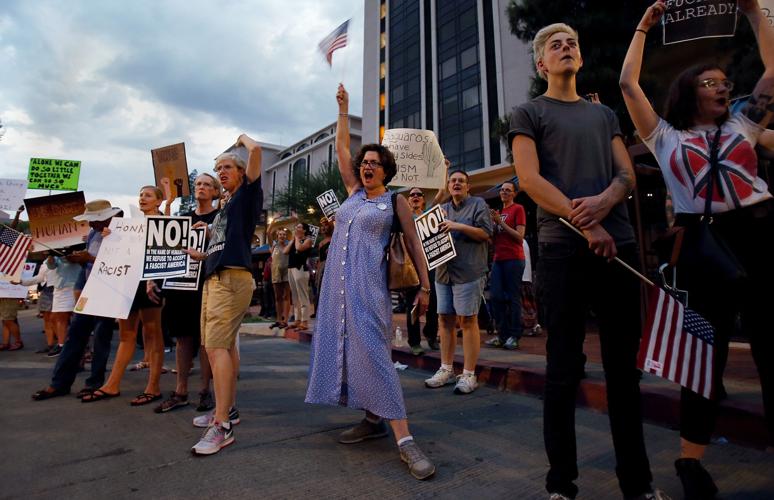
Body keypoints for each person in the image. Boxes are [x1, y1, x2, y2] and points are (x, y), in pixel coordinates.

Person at [620, 1, 774, 497]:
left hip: (759, 235)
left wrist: (753, 13)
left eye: (724, 81)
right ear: (689, 92)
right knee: (705, 355)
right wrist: (645, 25)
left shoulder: (743, 125)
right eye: (710, 81)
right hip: (703, 247)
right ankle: (691, 464)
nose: (723, 86)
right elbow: (628, 84)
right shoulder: (665, 137)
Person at [510, 22, 662, 500]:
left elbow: (626, 174)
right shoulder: (528, 112)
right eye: (555, 45)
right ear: (542, 64)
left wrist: (608, 198)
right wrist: (586, 221)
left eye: (571, 42)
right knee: (561, 369)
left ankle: (638, 485)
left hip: (619, 250)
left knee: (623, 373)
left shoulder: (603, 115)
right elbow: (530, 181)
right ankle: (561, 486)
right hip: (562, 252)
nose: (565, 48)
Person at [305, 83, 434, 480]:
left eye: (375, 163)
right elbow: (343, 150)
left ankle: (405, 440)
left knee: (376, 357)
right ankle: (372, 418)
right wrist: (343, 109)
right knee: (348, 352)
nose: (367, 166)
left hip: (368, 290)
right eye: (365, 162)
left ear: (386, 171)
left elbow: (414, 245)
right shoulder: (352, 195)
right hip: (334, 292)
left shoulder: (392, 202)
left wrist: (426, 289)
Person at [186, 134, 262, 455]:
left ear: (242, 172)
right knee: (221, 346)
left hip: (231, 279)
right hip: (215, 275)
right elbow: (224, 246)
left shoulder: (247, 194)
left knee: (216, 347)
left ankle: (222, 426)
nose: (221, 172)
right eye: (218, 168)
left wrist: (239, 140)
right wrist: (201, 255)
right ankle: (226, 410)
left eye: (227, 166)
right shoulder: (225, 206)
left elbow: (256, 150)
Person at [83, 186, 167, 406]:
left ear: (159, 201)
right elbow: (122, 251)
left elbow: (168, 252)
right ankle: (112, 384)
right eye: (140, 195)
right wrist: (111, 238)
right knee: (126, 334)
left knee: (152, 333)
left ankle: (153, 386)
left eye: (148, 195)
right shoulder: (129, 224)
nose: (142, 198)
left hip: (151, 283)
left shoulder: (165, 223)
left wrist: (154, 278)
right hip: (128, 282)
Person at [29, 200, 121, 400]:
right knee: (75, 337)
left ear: (108, 217)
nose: (91, 224)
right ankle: (60, 383)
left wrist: (88, 259)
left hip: (109, 291)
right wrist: (80, 266)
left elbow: (121, 264)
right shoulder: (94, 233)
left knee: (100, 339)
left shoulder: (120, 233)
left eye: (94, 220)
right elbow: (89, 264)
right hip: (90, 289)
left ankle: (93, 383)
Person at [154, 173, 220, 414]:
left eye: (206, 184)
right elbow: (163, 246)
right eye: (198, 184)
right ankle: (180, 391)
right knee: (183, 339)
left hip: (207, 283)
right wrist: (154, 279)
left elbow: (226, 249)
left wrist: (209, 237)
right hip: (180, 286)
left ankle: (205, 391)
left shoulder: (220, 219)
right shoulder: (183, 219)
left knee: (205, 339)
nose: (201, 187)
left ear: (215, 191)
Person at [423, 169, 493, 395]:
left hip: (469, 271)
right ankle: (446, 368)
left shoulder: (478, 204)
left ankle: (469, 373)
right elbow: (424, 225)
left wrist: (458, 226)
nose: (456, 184)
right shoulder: (442, 209)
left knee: (468, 320)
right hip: (444, 272)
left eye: (461, 181)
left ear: (468, 186)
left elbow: (486, 234)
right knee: (444, 319)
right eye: (452, 180)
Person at [484, 180, 526, 350]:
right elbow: (493, 239)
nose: (504, 192)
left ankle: (515, 336)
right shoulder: (499, 212)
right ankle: (502, 335)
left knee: (513, 297)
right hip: (498, 259)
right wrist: (491, 225)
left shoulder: (518, 209)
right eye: (502, 190)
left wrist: (500, 223)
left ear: (514, 193)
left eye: (508, 190)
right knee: (495, 297)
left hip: (514, 259)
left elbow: (519, 236)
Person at [404, 187, 439, 355]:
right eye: (412, 195)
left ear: (423, 200)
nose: (416, 196)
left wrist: (444, 171)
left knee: (433, 302)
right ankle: (415, 342)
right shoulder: (404, 219)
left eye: (419, 194)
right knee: (412, 304)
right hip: (410, 267)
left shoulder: (428, 216)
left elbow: (441, 194)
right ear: (408, 200)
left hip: (430, 265)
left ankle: (431, 335)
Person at [0, 205, 27, 351]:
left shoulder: (5, 245)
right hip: (2, 289)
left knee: (8, 318)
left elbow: (12, 229)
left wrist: (17, 214)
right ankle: (5, 342)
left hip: (7, 287)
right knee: (5, 319)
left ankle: (18, 341)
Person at [284, 222, 313, 331]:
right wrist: (293, 239)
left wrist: (296, 238)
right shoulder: (294, 240)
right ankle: (297, 320)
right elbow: (285, 251)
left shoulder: (308, 240)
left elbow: (300, 248)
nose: (297, 228)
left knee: (302, 296)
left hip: (300, 269)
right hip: (291, 269)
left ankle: (304, 321)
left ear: (304, 230)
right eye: (296, 227)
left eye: (299, 227)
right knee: (295, 297)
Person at [270, 229, 291, 329]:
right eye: (280, 234)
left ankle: (285, 320)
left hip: (286, 272)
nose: (282, 236)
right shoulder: (273, 246)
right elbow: (268, 233)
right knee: (278, 297)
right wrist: (273, 221)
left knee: (287, 295)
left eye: (284, 234)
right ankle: (278, 319)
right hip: (276, 272)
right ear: (277, 236)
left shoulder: (288, 246)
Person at [313, 216, 333, 314]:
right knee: (319, 289)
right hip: (321, 268)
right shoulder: (321, 242)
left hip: (329, 267)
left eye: (326, 225)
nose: (323, 228)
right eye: (322, 226)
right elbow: (320, 258)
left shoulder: (334, 240)